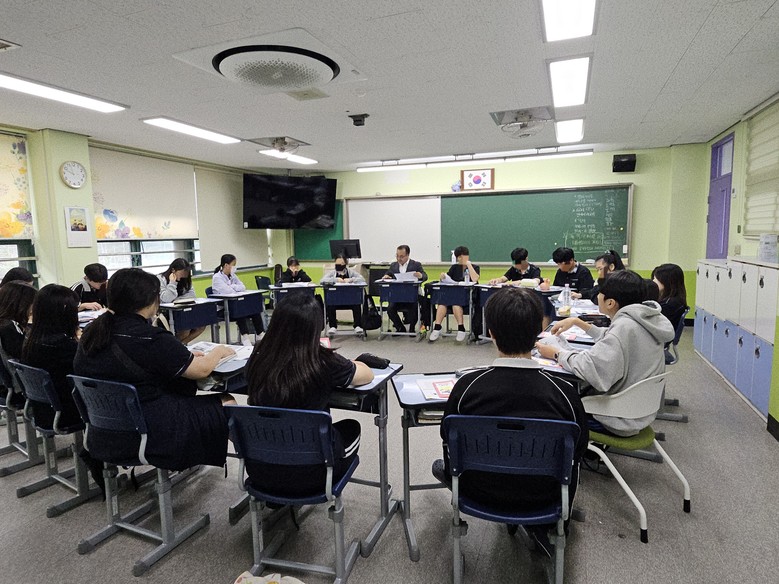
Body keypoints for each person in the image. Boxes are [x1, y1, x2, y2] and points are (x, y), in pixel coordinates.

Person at [433, 287, 588, 558]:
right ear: (539, 331)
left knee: (442, 464)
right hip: (546, 495)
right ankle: (547, 528)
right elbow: (580, 449)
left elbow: (447, 438)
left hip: (477, 491)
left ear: (491, 333)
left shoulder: (467, 387)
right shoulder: (564, 392)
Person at [74, 268, 236, 471]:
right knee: (226, 401)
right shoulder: (150, 337)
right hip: (151, 430)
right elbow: (201, 370)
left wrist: (181, 356)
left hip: (103, 430)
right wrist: (218, 351)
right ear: (150, 301)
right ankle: (257, 470)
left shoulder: (92, 333)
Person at [244, 292, 374, 496]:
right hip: (313, 475)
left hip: (260, 470)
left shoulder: (258, 354)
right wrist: (353, 363)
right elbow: (367, 375)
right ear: (316, 327)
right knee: (351, 428)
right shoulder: (323, 359)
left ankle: (276, 496)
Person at [536, 270, 674, 436]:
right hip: (639, 409)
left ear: (610, 303)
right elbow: (613, 338)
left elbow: (590, 369)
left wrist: (556, 354)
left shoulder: (624, 327)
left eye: (600, 293)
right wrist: (578, 322)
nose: (597, 297)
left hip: (618, 417)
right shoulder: (643, 319)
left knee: (554, 402)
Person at [21, 284, 83, 430]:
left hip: (42, 409)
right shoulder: (64, 346)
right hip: (66, 412)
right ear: (65, 314)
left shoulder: (32, 339)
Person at [211, 254, 265, 346]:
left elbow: (243, 287)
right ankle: (245, 337)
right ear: (226, 265)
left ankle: (260, 334)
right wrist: (234, 287)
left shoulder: (233, 275)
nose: (234, 267)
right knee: (240, 309)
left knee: (254, 309)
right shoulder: (217, 277)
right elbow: (228, 291)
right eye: (233, 265)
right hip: (223, 308)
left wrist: (231, 286)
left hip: (235, 306)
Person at [429, 246, 480, 343]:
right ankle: (437, 327)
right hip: (452, 295)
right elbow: (447, 279)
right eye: (458, 257)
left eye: (462, 257)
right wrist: (443, 277)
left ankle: (461, 328)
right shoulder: (454, 268)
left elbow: (475, 279)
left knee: (456, 304)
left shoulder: (475, 267)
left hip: (467, 297)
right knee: (442, 303)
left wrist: (468, 265)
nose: (460, 259)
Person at [0, 281, 36, 406]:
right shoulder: (9, 328)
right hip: (21, 389)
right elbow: (27, 355)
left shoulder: (6, 323)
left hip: (9, 386)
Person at [382, 244, 428, 333]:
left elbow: (425, 276)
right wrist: (386, 276)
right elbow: (388, 274)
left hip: (412, 296)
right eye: (397, 256)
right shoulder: (394, 265)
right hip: (397, 296)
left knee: (415, 307)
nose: (399, 258)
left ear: (407, 255)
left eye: (402, 256)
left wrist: (421, 275)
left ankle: (412, 328)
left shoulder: (416, 265)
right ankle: (400, 327)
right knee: (390, 309)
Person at [158, 258, 205, 344]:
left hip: (184, 311)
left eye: (186, 272)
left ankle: (181, 344)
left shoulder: (185, 279)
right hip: (166, 312)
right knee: (185, 329)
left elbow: (192, 295)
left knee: (201, 325)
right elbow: (166, 299)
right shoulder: (161, 279)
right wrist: (172, 283)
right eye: (182, 272)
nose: (184, 275)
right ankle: (175, 345)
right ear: (173, 270)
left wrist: (176, 299)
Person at [320, 254, 366, 336]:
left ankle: (357, 326)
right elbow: (322, 281)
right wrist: (335, 279)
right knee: (330, 303)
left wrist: (351, 280)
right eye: (337, 264)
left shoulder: (350, 272)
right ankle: (333, 326)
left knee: (357, 302)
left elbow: (362, 279)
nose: (339, 266)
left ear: (345, 264)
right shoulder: (332, 273)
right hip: (336, 301)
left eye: (341, 264)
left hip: (350, 300)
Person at [651, 263, 688, 331]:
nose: (653, 281)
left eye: (655, 278)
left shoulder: (668, 305)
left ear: (666, 281)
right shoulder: (676, 300)